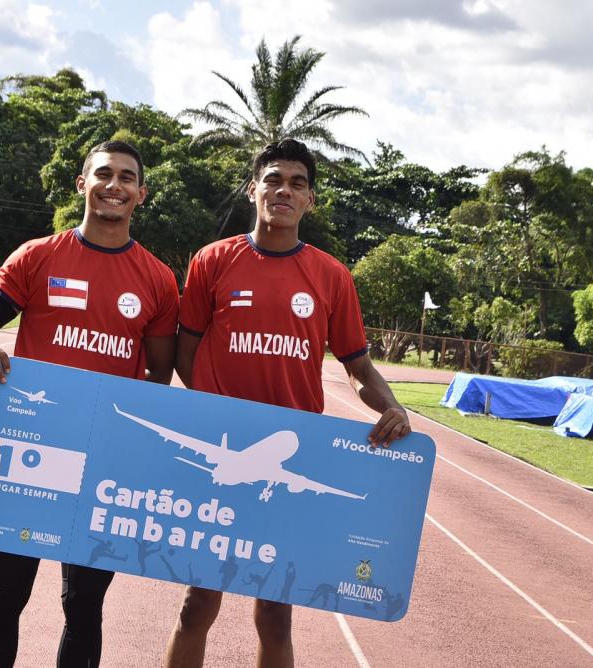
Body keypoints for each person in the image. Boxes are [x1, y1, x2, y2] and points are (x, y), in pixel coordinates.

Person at [167, 139, 411, 667]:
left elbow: (358, 368)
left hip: (290, 462)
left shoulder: (331, 276)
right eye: (273, 180)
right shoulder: (213, 261)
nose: (284, 191)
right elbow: (187, 351)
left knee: (276, 614)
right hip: (226, 452)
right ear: (253, 189)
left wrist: (391, 406)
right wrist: (216, 411)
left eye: (297, 184)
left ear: (310, 200)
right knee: (196, 604)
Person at [0, 140, 179, 667]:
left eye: (127, 177)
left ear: (141, 194)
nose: (114, 185)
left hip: (105, 463)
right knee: (7, 595)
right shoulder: (38, 257)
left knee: (83, 606)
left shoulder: (158, 280)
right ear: (82, 184)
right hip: (32, 454)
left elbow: (158, 376)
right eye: (104, 174)